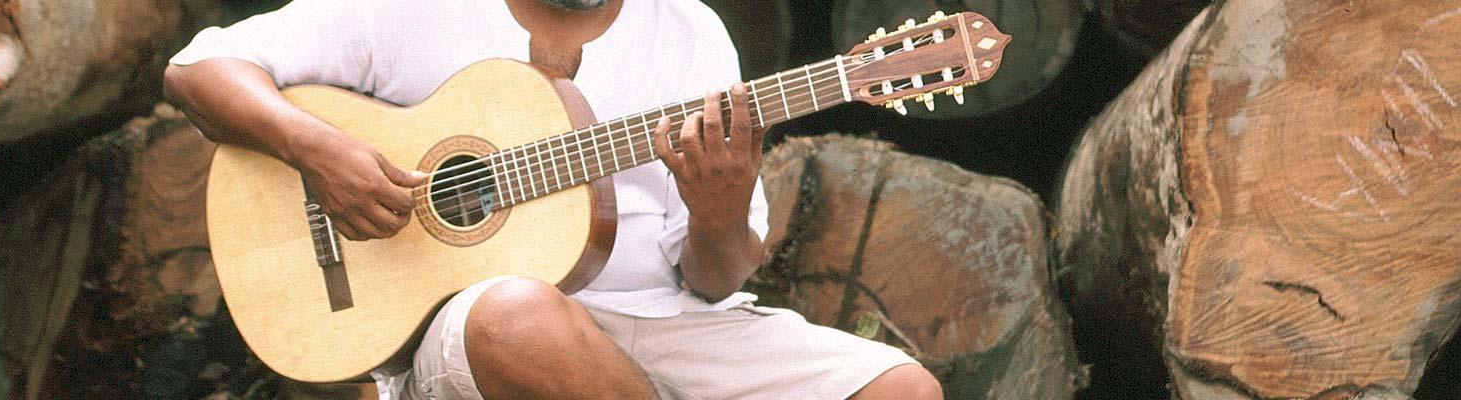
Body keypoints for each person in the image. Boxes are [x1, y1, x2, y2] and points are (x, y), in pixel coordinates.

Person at [162, 1, 944, 399]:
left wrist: (720, 215)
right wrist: (319, 149)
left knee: (902, 389)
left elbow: (713, 279)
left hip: (666, 323)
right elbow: (199, 70)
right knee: (521, 313)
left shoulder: (688, 30)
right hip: (479, 332)